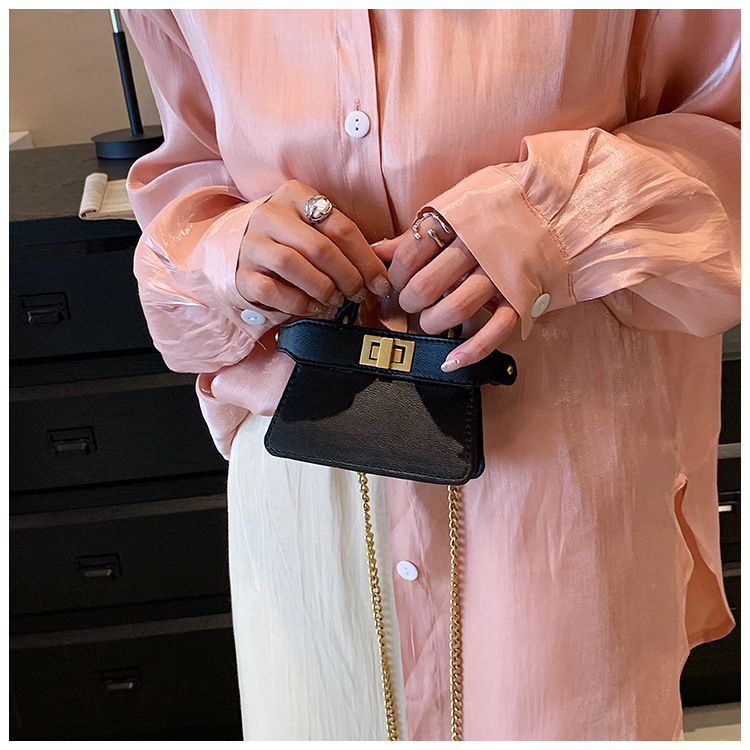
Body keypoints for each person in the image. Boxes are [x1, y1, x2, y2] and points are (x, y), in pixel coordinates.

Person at [121, 9, 740, 741]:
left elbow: (729, 142)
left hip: (554, 486)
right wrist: (230, 249)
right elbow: (187, 185)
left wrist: (552, 218)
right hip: (312, 494)